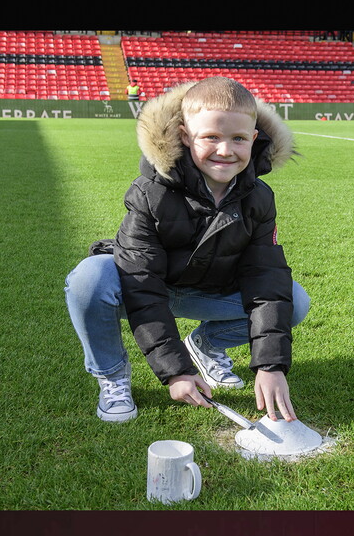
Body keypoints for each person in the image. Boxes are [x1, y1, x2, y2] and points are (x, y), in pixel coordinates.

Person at [64, 76, 309, 425]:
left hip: (208, 290)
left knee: (295, 300)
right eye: (211, 137)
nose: (225, 150)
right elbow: (141, 282)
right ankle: (113, 374)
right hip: (152, 287)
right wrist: (176, 371)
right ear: (184, 136)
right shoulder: (150, 191)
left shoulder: (260, 197)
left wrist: (270, 364)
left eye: (238, 138)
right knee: (89, 279)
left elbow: (265, 276)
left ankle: (207, 343)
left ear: (254, 140)